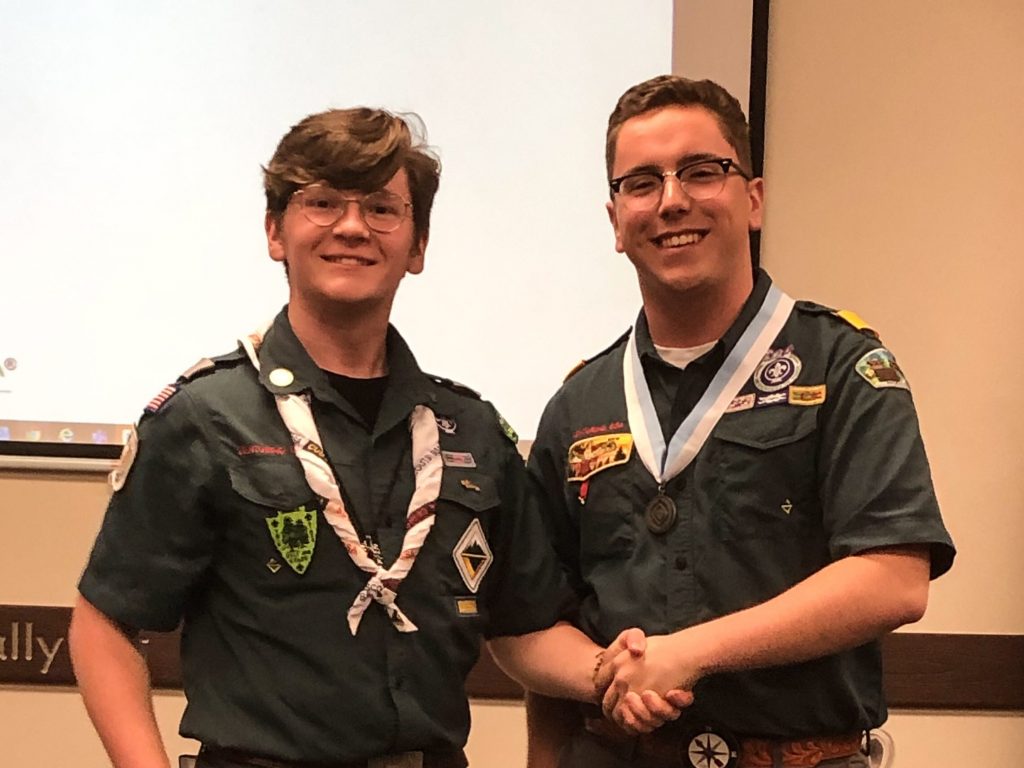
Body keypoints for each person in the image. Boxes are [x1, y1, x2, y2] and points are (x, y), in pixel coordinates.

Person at [68, 107, 676, 768]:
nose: (353, 226)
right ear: (276, 232)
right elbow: (106, 621)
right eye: (322, 202)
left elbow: (525, 626)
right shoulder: (205, 419)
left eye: (383, 208)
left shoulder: (472, 432)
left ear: (416, 246)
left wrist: (612, 672)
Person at [525, 75, 956, 768]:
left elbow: (893, 578)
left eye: (701, 172)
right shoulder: (580, 403)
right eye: (641, 183)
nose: (671, 201)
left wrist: (689, 655)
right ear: (614, 219)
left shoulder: (842, 366)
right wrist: (613, 678)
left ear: (752, 199)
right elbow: (534, 617)